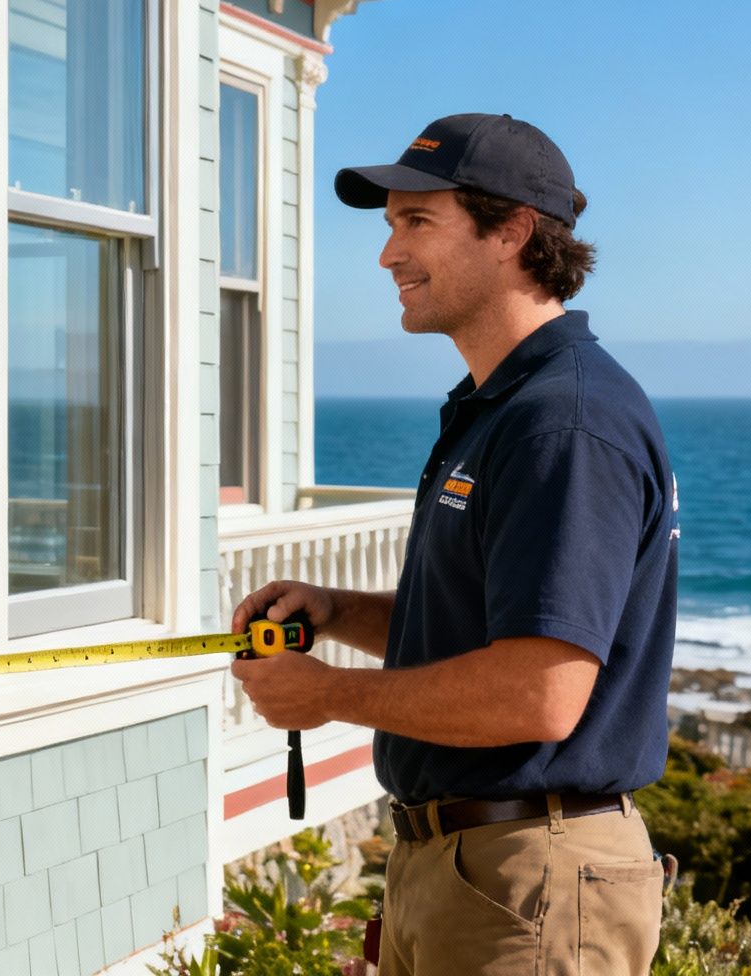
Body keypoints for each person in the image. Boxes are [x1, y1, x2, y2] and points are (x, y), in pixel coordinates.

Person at [228, 113, 677, 974]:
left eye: (417, 223)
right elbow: (492, 624)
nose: (389, 255)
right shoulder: (504, 409)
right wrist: (336, 612)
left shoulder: (565, 423)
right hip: (474, 868)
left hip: (528, 877)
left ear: (511, 231)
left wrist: (324, 694)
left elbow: (538, 695)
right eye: (392, 225)